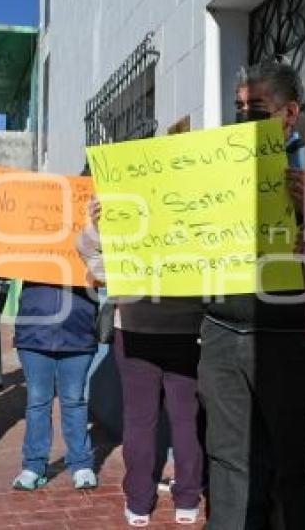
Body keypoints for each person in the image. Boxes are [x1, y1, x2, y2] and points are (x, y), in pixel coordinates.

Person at [198, 61, 305, 530]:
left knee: (295, 463)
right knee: (229, 460)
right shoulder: (219, 159)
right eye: (238, 109)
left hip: (287, 336)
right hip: (221, 332)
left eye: (256, 109)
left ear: (289, 112)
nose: (243, 119)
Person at [77, 199, 206, 526]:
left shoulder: (130, 224)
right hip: (187, 330)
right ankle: (188, 502)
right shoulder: (196, 218)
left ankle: (138, 503)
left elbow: (94, 264)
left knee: (139, 420)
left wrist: (95, 228)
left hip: (134, 329)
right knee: (186, 419)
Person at [10, 278, 98, 491]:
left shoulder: (89, 243)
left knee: (74, 401)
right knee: (38, 401)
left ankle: (81, 465)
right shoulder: (30, 244)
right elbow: (2, 266)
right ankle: (33, 466)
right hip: (34, 334)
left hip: (79, 332)